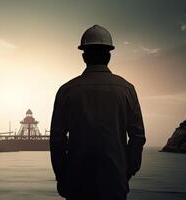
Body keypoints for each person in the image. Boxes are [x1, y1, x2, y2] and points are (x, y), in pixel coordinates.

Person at [50, 25, 146, 200]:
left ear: (84, 56)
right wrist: (126, 172)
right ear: (109, 55)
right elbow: (137, 137)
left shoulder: (66, 91)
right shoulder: (127, 89)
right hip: (114, 182)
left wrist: (62, 177)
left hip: (76, 183)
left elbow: (57, 141)